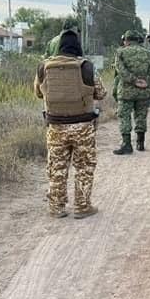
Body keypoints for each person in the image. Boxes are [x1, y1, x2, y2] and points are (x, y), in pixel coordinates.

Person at [34, 29, 106, 219]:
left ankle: (56, 207)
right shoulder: (86, 66)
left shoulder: (44, 67)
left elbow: (38, 93)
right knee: (84, 166)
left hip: (55, 126)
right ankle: (82, 207)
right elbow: (101, 93)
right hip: (83, 125)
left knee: (56, 166)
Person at [112, 29, 150, 155]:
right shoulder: (148, 53)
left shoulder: (120, 52)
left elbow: (120, 70)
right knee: (141, 116)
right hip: (144, 91)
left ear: (126, 40)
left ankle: (127, 144)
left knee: (124, 117)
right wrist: (147, 81)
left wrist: (133, 80)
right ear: (138, 40)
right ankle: (140, 142)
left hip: (126, 91)